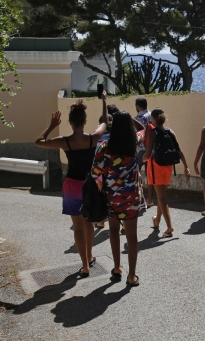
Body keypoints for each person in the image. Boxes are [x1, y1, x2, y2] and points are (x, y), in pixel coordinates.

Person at [35, 93, 108, 278]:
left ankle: (84, 265)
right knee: (89, 224)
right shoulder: (92, 139)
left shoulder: (65, 141)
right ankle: (90, 257)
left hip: (71, 187)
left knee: (77, 227)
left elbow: (39, 142)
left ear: (70, 123)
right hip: (89, 186)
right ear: (84, 121)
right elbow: (106, 122)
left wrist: (52, 126)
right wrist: (104, 101)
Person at [91, 111, 147, 287]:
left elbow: (95, 173)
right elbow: (143, 129)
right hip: (131, 197)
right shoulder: (134, 143)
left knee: (113, 231)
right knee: (132, 236)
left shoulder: (104, 147)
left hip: (111, 197)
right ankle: (132, 276)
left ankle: (117, 268)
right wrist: (130, 118)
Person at [142, 108, 190, 237]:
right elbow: (179, 150)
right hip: (168, 166)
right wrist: (186, 167)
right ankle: (157, 220)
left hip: (156, 166)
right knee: (161, 195)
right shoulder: (170, 131)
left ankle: (169, 227)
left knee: (162, 197)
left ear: (153, 119)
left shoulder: (152, 133)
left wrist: (141, 159)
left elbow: (147, 154)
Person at [135, 97, 154, 206]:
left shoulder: (138, 118)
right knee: (149, 175)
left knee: (135, 174)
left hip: (141, 149)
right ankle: (150, 199)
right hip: (151, 149)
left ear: (138, 106)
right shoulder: (152, 115)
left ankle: (137, 198)